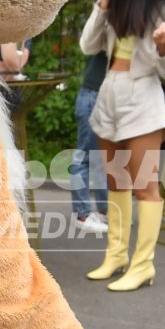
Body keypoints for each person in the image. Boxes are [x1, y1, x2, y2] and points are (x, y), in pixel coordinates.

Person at [78, 0, 165, 292]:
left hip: (142, 98)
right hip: (109, 92)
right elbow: (86, 46)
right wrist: (102, 7)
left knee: (145, 186)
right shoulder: (117, 3)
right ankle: (116, 256)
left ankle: (143, 264)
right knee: (116, 182)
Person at [70, 40, 109, 235]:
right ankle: (82, 215)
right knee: (85, 157)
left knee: (105, 158)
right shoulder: (108, 18)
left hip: (109, 95)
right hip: (93, 95)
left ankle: (105, 210)